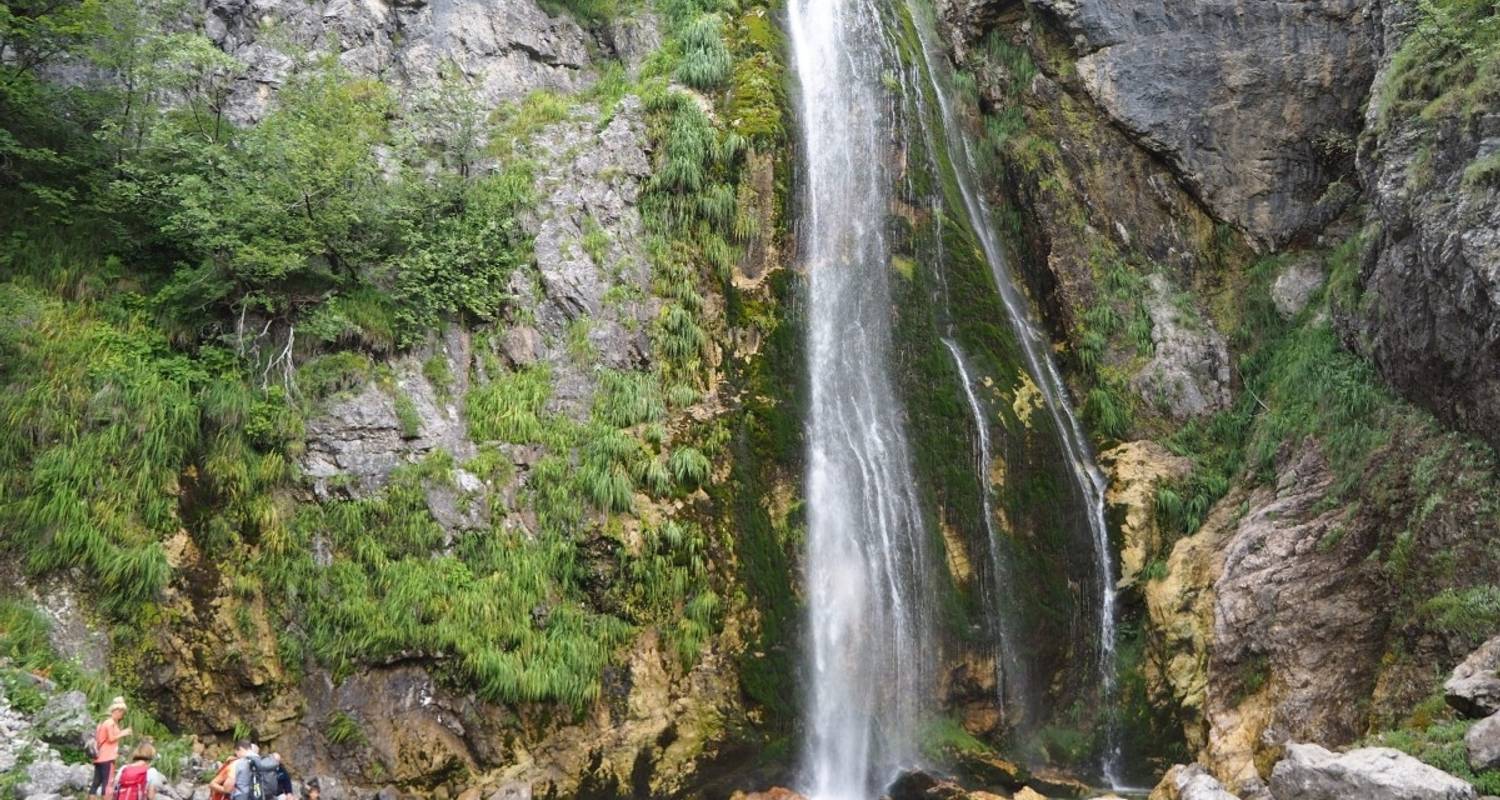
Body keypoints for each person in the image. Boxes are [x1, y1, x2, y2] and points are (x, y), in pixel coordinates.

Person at [90, 697, 133, 796]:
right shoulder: (110, 723)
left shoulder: (104, 722)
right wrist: (124, 733)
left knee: (96, 783)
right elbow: (111, 738)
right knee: (107, 783)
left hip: (99, 757)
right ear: (116, 711)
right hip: (108, 757)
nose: (122, 715)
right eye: (121, 712)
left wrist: (122, 732)